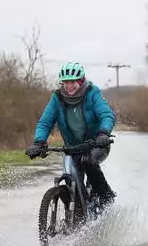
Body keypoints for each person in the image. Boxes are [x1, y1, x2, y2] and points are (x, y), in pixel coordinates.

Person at [26, 62, 117, 207]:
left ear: (80, 81)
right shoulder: (57, 98)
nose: (68, 86)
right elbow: (45, 123)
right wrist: (39, 142)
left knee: (88, 162)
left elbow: (107, 115)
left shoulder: (92, 93)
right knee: (71, 179)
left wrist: (103, 133)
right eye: (65, 82)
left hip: (97, 144)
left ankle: (107, 198)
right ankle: (78, 213)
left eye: (72, 82)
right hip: (73, 148)